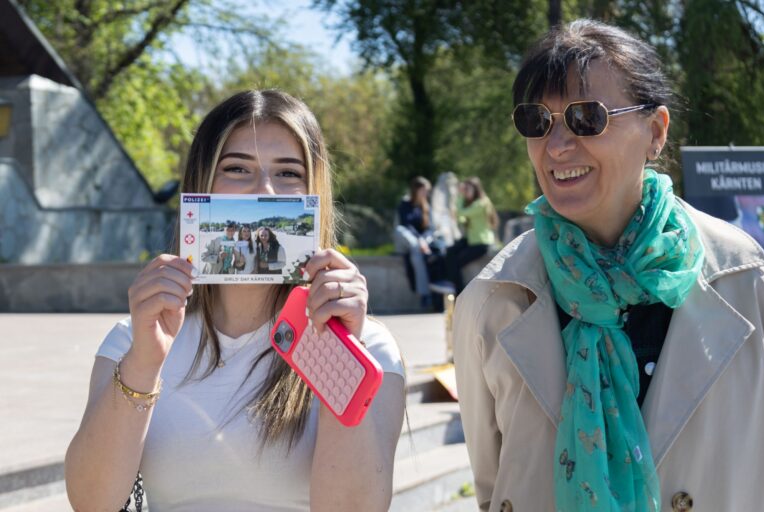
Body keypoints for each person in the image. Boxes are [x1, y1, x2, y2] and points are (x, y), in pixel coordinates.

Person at [454, 19, 764, 512]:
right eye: (537, 121)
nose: (556, 147)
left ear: (656, 132)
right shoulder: (493, 300)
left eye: (586, 118)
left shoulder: (749, 281)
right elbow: (493, 486)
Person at [65, 90, 406, 511]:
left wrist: (336, 354)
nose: (263, 189)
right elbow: (90, 502)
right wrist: (144, 362)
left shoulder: (369, 346)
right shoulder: (132, 341)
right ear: (200, 184)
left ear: (314, 193)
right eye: (237, 168)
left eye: (288, 174)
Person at [394, 176, 453, 309]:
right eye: (424, 190)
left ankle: (425, 295)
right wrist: (420, 240)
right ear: (416, 190)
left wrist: (424, 240)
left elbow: (430, 229)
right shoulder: (405, 204)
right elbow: (406, 225)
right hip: (407, 239)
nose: (427, 193)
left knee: (417, 251)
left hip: (420, 244)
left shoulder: (426, 207)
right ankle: (425, 295)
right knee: (403, 233)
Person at [446, 176, 498, 293]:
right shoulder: (471, 204)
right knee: (450, 252)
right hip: (471, 241)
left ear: (476, 189)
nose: (466, 192)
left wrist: (459, 196)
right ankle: (450, 284)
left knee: (456, 262)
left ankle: (458, 292)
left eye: (468, 189)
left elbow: (461, 213)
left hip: (481, 243)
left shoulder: (482, 203)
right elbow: (461, 218)